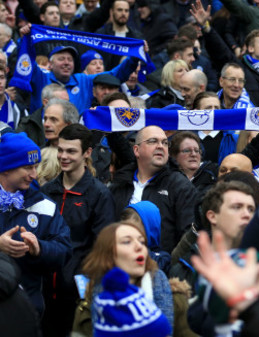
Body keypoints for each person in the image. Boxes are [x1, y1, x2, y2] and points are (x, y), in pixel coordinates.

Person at [40, 124, 115, 337]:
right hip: (44, 294)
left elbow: (103, 249)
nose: (63, 156)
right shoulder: (47, 192)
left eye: (71, 151)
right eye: (61, 150)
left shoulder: (99, 195)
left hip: (78, 295)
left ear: (87, 153)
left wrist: (82, 283)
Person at [0, 133, 71, 315]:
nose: (34, 174)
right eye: (27, 167)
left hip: (25, 311)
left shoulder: (44, 205)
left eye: (36, 167)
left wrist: (39, 249)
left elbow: (64, 250)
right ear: (6, 168)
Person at [109, 125, 200, 253]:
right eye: (153, 141)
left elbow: (188, 238)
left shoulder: (180, 186)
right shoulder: (119, 185)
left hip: (162, 268)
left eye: (165, 143)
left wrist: (169, 266)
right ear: (136, 150)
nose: (160, 146)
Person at [82, 222, 173, 332]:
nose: (139, 246)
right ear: (108, 253)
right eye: (127, 242)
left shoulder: (160, 282)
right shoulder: (89, 305)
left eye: (142, 241)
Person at [16, 83, 69, 148]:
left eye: (68, 102)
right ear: (46, 103)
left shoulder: (70, 122)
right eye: (62, 102)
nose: (67, 106)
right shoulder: (28, 123)